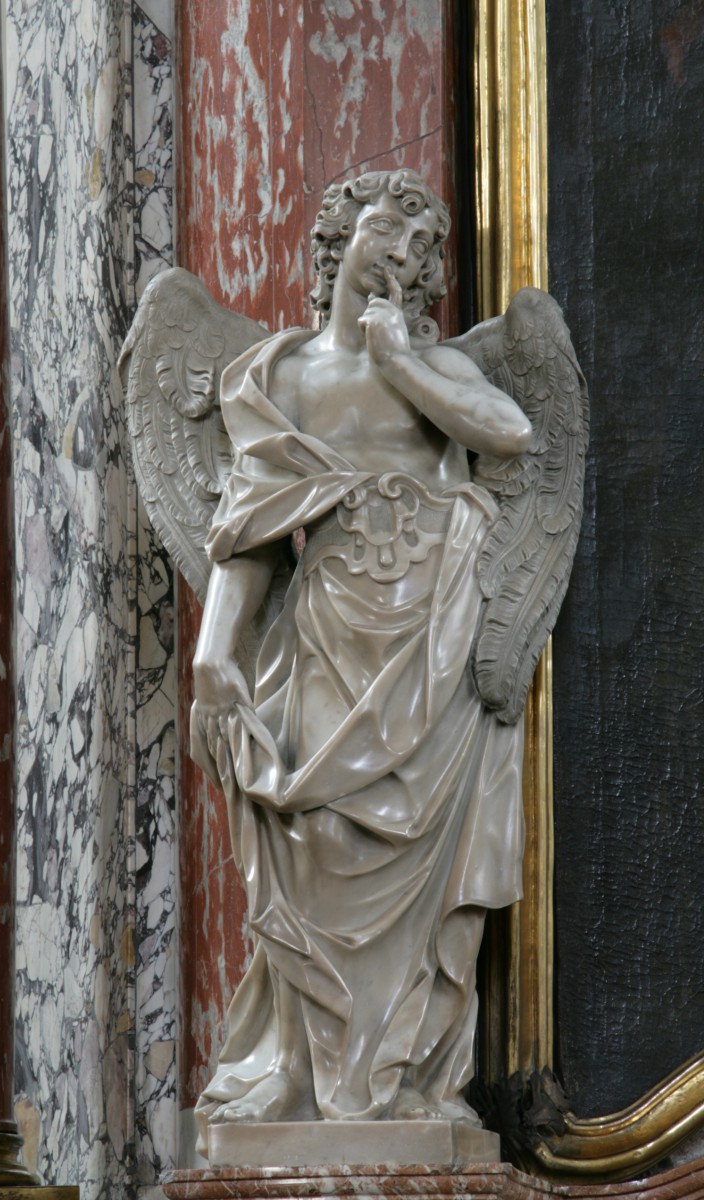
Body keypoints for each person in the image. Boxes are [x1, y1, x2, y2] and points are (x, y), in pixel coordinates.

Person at [190, 168, 532, 1150]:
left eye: (426, 251)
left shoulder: (439, 370)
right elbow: (247, 531)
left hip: (431, 649)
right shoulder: (279, 378)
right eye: (390, 235)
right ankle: (303, 1075)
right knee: (320, 844)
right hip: (329, 636)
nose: (407, 259)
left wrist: (402, 363)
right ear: (338, 244)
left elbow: (507, 436)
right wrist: (216, 651)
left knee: (422, 885)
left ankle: (405, 1087)